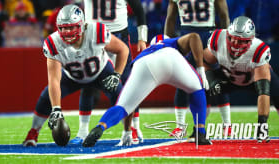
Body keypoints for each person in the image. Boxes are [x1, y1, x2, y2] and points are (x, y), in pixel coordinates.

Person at [35, 0, 148, 144]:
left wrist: (142, 36)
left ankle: (133, 129)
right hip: (91, 35)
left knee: (126, 85)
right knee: (89, 84)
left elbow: (138, 9)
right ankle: (82, 131)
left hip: (118, 36)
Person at [22, 4, 132, 147]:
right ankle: (33, 133)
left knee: (123, 98)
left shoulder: (96, 32)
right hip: (72, 76)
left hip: (101, 71)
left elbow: (123, 49)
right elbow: (54, 80)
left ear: (82, 25)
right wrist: (56, 109)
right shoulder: (53, 43)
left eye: (71, 27)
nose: (66, 32)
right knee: (45, 98)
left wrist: (117, 74)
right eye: (63, 28)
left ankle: (128, 132)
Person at [82, 33, 212, 147]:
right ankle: (200, 132)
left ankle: (101, 126)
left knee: (124, 106)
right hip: (172, 56)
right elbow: (194, 37)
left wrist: (128, 131)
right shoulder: (169, 43)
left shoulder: (148, 50)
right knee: (197, 89)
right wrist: (200, 68)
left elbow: (131, 107)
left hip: (144, 63)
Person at [164, 0, 230, 138]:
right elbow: (170, 17)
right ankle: (180, 126)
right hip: (185, 37)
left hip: (208, 35)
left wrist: (224, 38)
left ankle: (227, 124)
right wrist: (168, 40)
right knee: (181, 82)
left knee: (215, 81)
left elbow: (224, 15)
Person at [203, 16, 279, 142]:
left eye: (240, 41)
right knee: (202, 86)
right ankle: (199, 129)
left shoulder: (258, 51)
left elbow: (263, 93)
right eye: (231, 38)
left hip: (252, 80)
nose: (234, 44)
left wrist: (262, 123)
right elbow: (204, 61)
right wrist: (211, 79)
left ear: (250, 41)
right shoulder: (218, 39)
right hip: (228, 77)